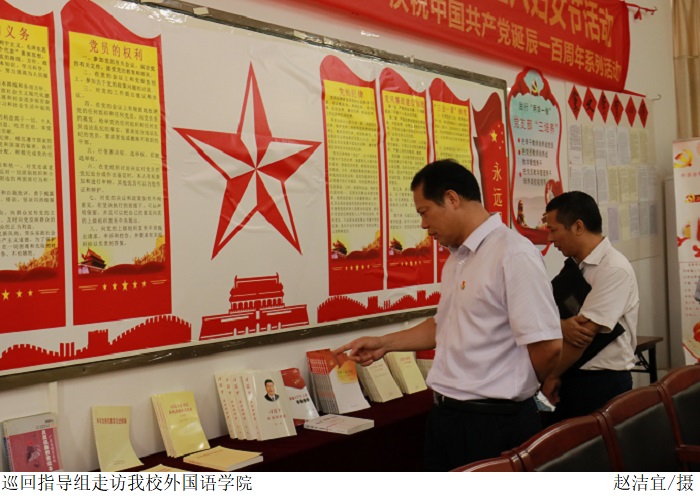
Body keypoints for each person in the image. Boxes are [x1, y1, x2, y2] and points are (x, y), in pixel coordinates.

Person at [333, 159, 562, 471]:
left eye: (424, 212)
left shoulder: (513, 253)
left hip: (493, 423)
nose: (423, 225)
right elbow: (444, 325)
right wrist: (384, 344)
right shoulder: (458, 259)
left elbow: (548, 346)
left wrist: (515, 388)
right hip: (447, 416)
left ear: (452, 199)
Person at [541, 191, 639, 422]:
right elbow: (559, 320)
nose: (550, 239)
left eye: (553, 230)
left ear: (578, 226)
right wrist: (561, 326)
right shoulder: (577, 266)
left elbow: (581, 336)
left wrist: (550, 375)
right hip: (571, 373)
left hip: (601, 381)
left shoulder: (613, 268)